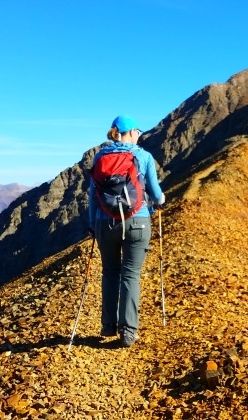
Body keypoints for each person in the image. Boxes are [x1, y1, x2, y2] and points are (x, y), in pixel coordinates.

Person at [88, 115, 165, 347]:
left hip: (104, 222)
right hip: (137, 221)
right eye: (137, 132)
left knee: (110, 272)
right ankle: (128, 332)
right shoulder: (143, 156)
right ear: (130, 132)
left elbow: (92, 196)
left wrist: (93, 224)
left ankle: (108, 325)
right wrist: (161, 199)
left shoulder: (100, 157)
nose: (139, 135)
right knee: (130, 274)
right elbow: (155, 192)